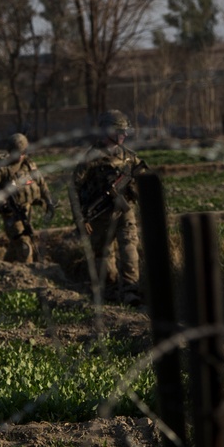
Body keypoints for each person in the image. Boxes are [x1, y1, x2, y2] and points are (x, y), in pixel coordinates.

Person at [71, 110, 148, 306]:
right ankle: (111, 292)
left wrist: (136, 189)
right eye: (119, 131)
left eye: (124, 132)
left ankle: (131, 291)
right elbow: (74, 190)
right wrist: (80, 219)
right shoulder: (88, 159)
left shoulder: (130, 158)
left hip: (124, 211)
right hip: (100, 216)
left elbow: (146, 179)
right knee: (103, 254)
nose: (123, 135)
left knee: (129, 247)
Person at [0, 133, 56, 263]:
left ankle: (7, 265)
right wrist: (2, 204)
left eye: (21, 152)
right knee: (23, 243)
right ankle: (27, 272)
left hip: (26, 209)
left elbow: (42, 184)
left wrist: (49, 202)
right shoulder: (2, 169)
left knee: (18, 241)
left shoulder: (29, 166)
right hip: (11, 212)